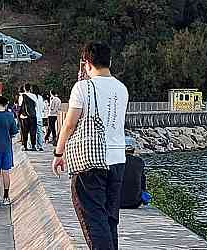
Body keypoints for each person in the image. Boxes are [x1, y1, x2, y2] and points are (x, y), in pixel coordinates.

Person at [52, 42, 129, 250]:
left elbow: (69, 124)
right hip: (118, 162)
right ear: (109, 62)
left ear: (86, 63)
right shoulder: (122, 89)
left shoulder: (82, 87)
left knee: (93, 218)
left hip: (91, 162)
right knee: (110, 218)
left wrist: (59, 152)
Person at [0, 96, 18, 206]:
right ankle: (6, 197)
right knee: (6, 172)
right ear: (6, 105)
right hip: (7, 148)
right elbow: (14, 132)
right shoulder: (10, 116)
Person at [120, 136, 147, 209]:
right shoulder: (139, 161)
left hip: (117, 202)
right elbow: (143, 182)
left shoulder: (118, 161)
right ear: (134, 149)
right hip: (135, 202)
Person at [18, 83, 38, 151]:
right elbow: (35, 106)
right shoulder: (34, 96)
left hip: (24, 117)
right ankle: (33, 146)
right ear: (30, 88)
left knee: (24, 132)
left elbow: (20, 106)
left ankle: (25, 146)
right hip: (33, 116)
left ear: (24, 88)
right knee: (33, 131)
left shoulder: (22, 96)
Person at [33, 85, 45, 151]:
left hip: (33, 117)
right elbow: (43, 108)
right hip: (40, 117)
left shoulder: (32, 97)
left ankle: (32, 145)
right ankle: (40, 146)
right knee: (40, 132)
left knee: (32, 132)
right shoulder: (40, 98)